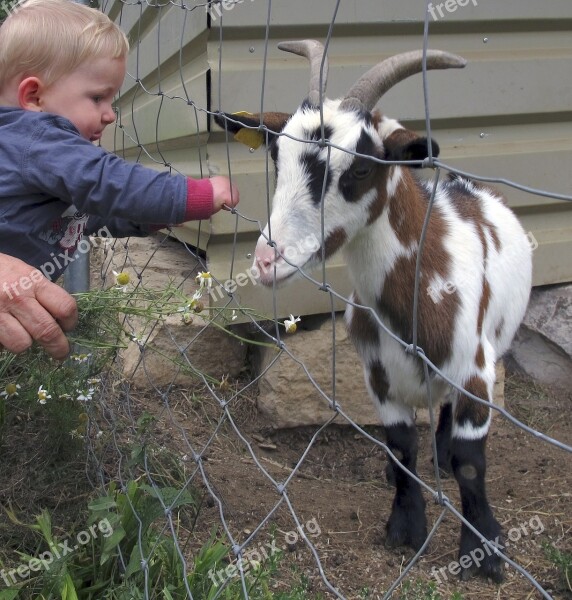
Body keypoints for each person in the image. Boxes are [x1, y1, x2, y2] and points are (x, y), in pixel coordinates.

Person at [0, 0, 239, 358]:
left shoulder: (25, 152)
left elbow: (83, 216)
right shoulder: (36, 136)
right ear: (33, 96)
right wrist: (195, 195)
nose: (110, 114)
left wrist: (152, 215)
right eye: (97, 97)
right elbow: (107, 181)